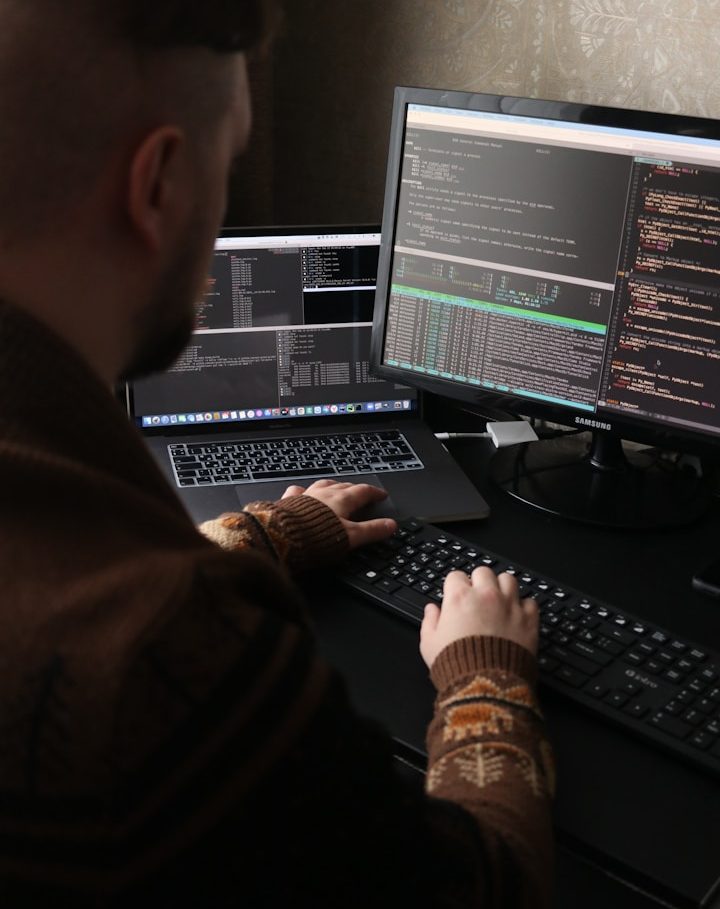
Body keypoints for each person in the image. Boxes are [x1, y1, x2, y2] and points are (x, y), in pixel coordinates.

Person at [0, 1, 554, 905]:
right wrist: (485, 674)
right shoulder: (169, 660)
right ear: (160, 184)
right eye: (230, 160)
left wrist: (255, 533)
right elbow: (486, 890)